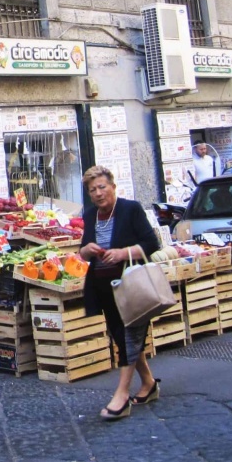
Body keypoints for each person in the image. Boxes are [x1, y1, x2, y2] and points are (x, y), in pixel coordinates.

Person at [78, 165, 161, 420]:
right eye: (93, 190)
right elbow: (81, 251)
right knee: (120, 336)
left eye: (102, 187)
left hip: (131, 285)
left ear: (113, 187)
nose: (98, 193)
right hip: (103, 287)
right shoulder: (90, 215)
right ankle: (148, 383)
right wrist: (88, 250)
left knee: (129, 338)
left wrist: (123, 253)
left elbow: (151, 243)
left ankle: (122, 395)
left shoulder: (130, 209)